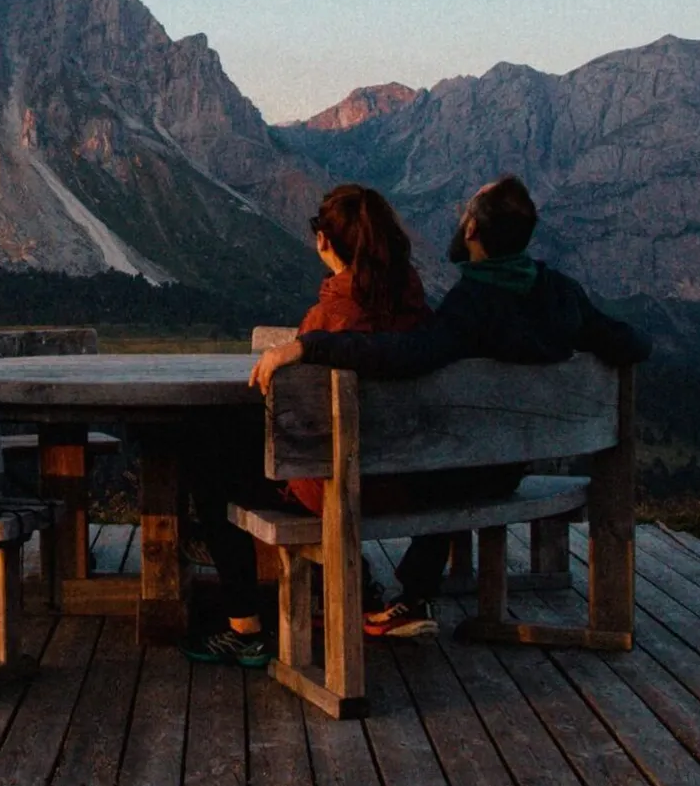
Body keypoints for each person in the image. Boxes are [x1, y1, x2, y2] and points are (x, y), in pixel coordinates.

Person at [247, 174, 652, 637]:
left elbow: (404, 356)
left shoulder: (470, 305)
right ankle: (412, 592)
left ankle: (319, 598)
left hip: (455, 473)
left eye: (464, 216)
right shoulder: (562, 294)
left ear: (473, 233)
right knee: (451, 454)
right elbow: (632, 342)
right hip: (504, 467)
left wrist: (310, 346)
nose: (459, 223)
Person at [182, 184, 432, 666]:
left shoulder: (331, 315)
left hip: (335, 490)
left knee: (206, 457)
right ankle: (350, 587)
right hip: (408, 483)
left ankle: (244, 627)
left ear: (324, 243)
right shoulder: (420, 310)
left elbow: (282, 417)